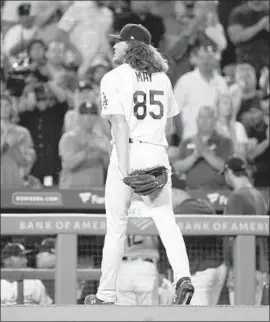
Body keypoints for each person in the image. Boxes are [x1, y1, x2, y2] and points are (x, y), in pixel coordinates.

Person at [84, 23, 194, 305]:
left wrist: (124, 168)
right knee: (166, 220)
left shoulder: (113, 77)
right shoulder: (163, 79)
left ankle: (106, 294)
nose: (114, 45)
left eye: (119, 42)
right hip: (157, 152)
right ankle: (183, 277)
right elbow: (170, 128)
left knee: (117, 227)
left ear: (131, 46)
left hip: (127, 152)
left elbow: (119, 125)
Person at [221, 156, 269, 305]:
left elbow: (231, 237)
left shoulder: (237, 197)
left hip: (242, 267)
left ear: (228, 171)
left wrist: (231, 268)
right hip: (260, 266)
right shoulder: (259, 195)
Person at [172, 105, 234, 190]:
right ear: (197, 120)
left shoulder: (225, 142)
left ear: (214, 121)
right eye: (201, 117)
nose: (204, 121)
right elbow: (177, 167)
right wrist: (194, 156)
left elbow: (227, 167)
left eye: (208, 117)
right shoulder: (187, 142)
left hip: (218, 192)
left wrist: (206, 154)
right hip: (192, 192)